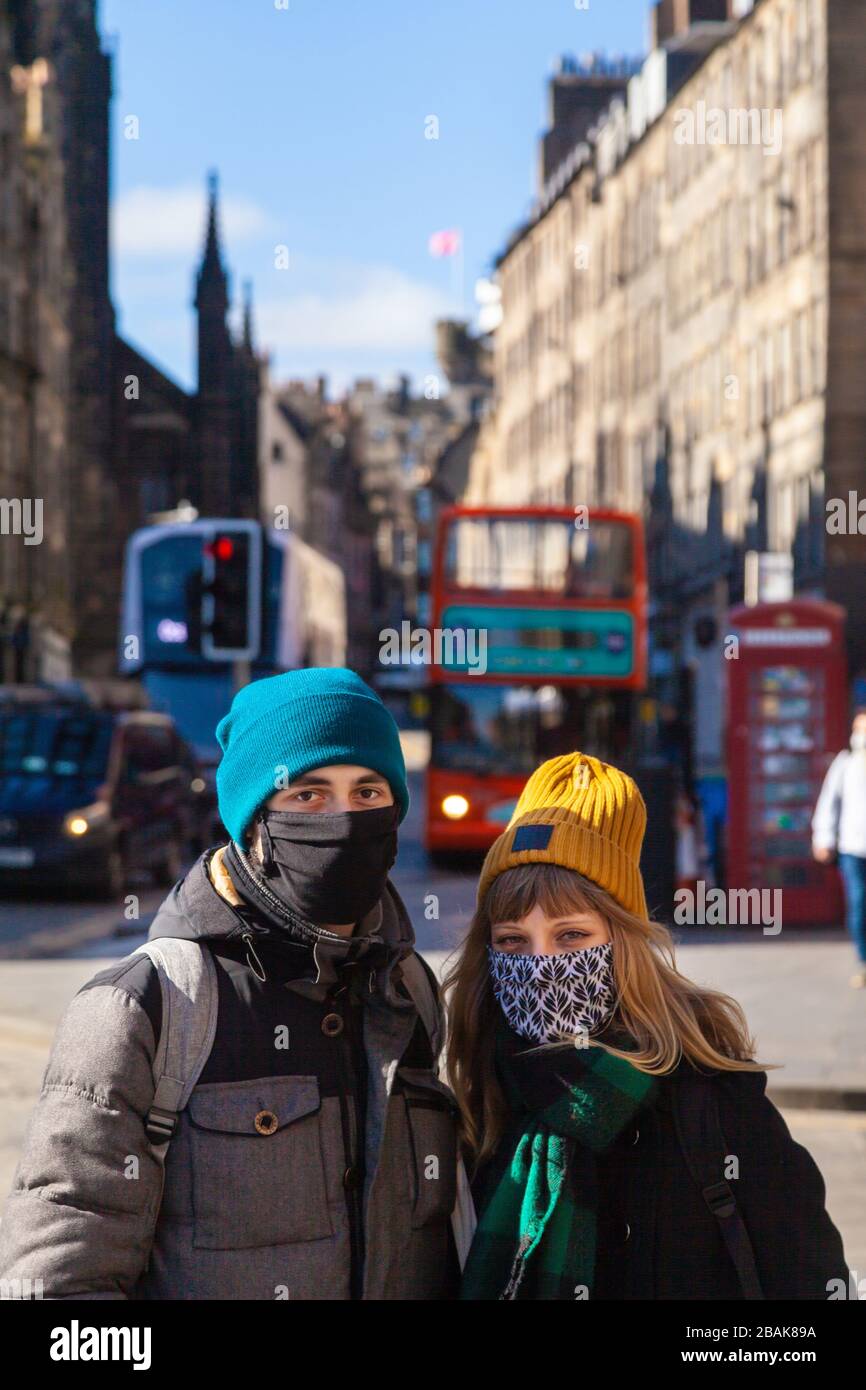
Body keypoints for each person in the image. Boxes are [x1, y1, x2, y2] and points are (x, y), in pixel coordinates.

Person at [0, 667, 459, 1300]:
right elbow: (58, 1294)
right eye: (308, 794)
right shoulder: (148, 1008)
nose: (345, 817)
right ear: (253, 826)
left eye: (369, 791)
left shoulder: (407, 990)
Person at [445, 751, 849, 1301]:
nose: (540, 965)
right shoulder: (478, 1098)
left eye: (571, 937)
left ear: (624, 941)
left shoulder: (712, 1099)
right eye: (513, 941)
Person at [812, 707, 866, 988]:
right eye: (860, 730)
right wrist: (823, 838)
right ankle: (863, 961)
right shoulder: (845, 764)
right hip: (852, 846)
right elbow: (828, 802)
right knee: (858, 903)